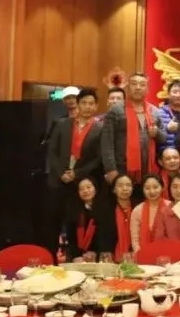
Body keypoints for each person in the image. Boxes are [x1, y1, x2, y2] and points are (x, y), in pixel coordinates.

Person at [45, 87, 103, 255]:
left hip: (81, 183)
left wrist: (76, 174)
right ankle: (50, 259)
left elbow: (98, 158)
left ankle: (73, 258)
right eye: (84, 103)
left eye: (91, 104)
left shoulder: (100, 129)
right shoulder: (62, 124)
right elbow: (52, 151)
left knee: (75, 223)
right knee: (52, 223)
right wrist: (61, 173)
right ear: (78, 104)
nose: (87, 107)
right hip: (58, 181)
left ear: (96, 106)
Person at [100, 72, 166, 184]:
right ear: (128, 88)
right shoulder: (115, 110)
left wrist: (157, 133)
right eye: (134, 84)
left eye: (142, 84)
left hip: (148, 168)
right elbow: (107, 143)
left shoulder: (154, 111)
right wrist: (111, 169)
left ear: (147, 89)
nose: (138, 87)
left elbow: (163, 138)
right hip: (121, 169)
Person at [64, 177, 113, 262]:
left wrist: (96, 254)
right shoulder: (73, 211)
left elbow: (107, 236)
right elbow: (71, 238)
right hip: (79, 257)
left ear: (95, 189)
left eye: (88, 187)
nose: (85, 191)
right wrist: (76, 256)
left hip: (101, 256)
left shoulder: (105, 209)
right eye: (81, 189)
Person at [153, 175, 180, 244]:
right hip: (171, 249)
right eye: (174, 187)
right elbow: (159, 239)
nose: (178, 190)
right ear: (169, 189)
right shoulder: (164, 212)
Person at [131, 174, 170, 251]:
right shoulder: (137, 210)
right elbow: (135, 240)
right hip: (143, 253)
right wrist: (141, 254)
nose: (152, 191)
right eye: (147, 188)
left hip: (167, 252)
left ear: (162, 187)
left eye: (155, 187)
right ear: (143, 189)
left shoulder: (170, 207)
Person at [109, 174, 135, 260]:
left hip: (135, 256)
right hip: (113, 258)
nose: (125, 188)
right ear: (114, 189)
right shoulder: (107, 209)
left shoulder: (137, 207)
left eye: (128, 185)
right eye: (120, 185)